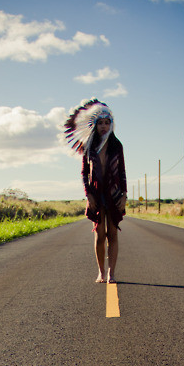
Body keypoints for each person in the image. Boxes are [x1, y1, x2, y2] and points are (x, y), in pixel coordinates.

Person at [63, 99, 127, 283]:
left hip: (114, 194)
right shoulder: (88, 147)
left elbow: (122, 171)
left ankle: (112, 274)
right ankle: (101, 271)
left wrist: (124, 195)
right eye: (100, 123)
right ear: (95, 125)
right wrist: (88, 194)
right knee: (99, 234)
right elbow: (84, 173)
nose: (104, 126)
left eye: (107, 123)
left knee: (113, 233)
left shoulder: (117, 146)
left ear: (111, 124)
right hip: (97, 194)